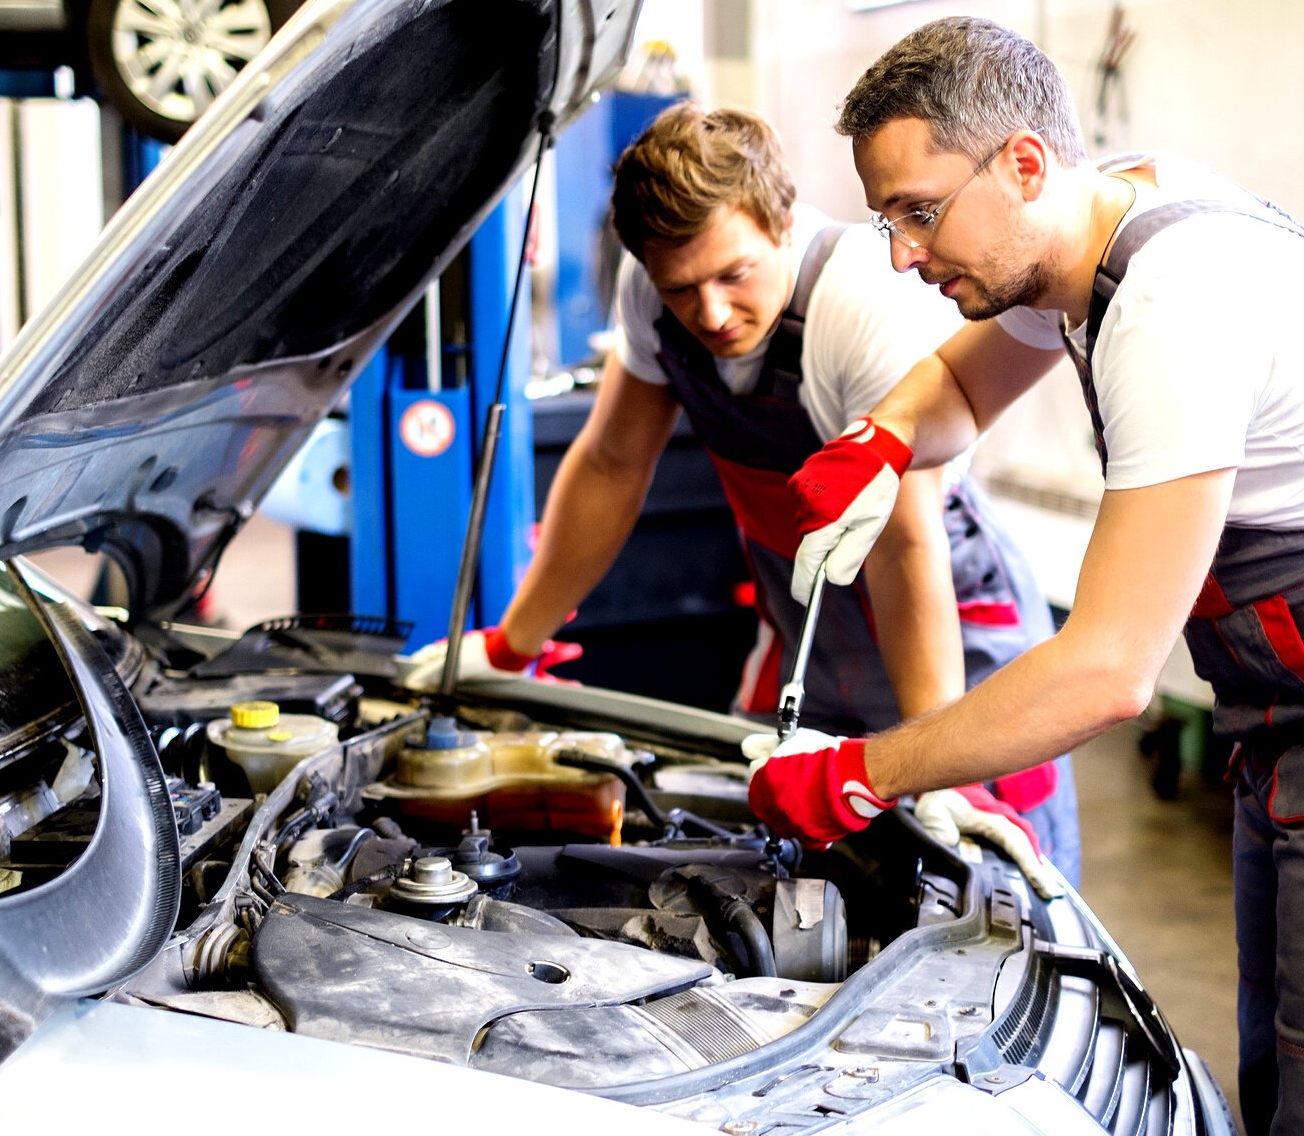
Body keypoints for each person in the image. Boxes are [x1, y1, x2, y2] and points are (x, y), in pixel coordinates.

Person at [747, 15, 1304, 1136]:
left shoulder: (1171, 303)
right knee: (1293, 1076)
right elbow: (963, 394)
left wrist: (864, 773)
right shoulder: (1087, 218)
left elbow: (1106, 673)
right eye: (884, 218)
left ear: (1022, 161)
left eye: (918, 212)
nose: (903, 253)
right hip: (1300, 711)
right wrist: (878, 437)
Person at [404, 101, 1079, 886]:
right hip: (804, 620)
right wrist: (513, 645)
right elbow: (613, 463)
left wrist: (939, 758)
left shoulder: (860, 309)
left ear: (783, 223)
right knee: (753, 852)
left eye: (735, 274)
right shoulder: (654, 289)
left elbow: (903, 544)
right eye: (683, 287)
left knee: (990, 884)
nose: (711, 313)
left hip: (949, 623)